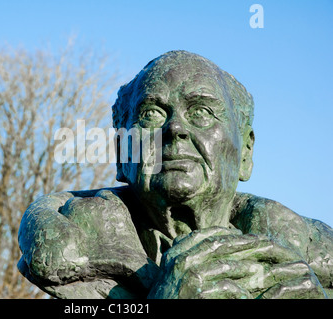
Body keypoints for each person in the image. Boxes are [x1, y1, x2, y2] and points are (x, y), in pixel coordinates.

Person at [17, 50, 333, 299]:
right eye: (151, 114)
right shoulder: (72, 247)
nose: (176, 129)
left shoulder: (310, 262)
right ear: (122, 154)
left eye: (201, 112)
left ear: (246, 153)